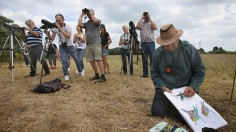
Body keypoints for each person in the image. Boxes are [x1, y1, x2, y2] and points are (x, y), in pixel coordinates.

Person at [151, 24, 206, 124]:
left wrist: (193, 87)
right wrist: (162, 87)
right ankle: (173, 106)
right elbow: (154, 74)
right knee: (157, 112)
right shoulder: (157, 54)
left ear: (177, 38)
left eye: (173, 42)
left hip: (186, 89)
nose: (170, 46)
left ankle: (175, 108)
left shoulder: (189, 49)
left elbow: (199, 71)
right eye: (166, 43)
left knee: (184, 118)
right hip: (166, 89)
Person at [44, 14, 84, 81]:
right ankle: (66, 74)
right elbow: (52, 38)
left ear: (63, 20)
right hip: (62, 46)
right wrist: (47, 34)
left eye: (59, 20)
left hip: (70, 45)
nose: (58, 22)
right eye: (57, 20)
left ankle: (80, 70)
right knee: (64, 60)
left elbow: (68, 36)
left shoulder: (68, 26)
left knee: (76, 59)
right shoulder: (55, 28)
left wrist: (60, 28)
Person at [78, 8, 107, 83]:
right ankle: (97, 75)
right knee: (91, 60)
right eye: (87, 14)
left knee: (98, 59)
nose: (88, 15)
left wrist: (91, 14)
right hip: (89, 44)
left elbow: (96, 22)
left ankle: (103, 76)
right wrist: (82, 14)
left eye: (89, 13)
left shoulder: (97, 20)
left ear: (93, 13)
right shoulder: (87, 23)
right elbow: (79, 24)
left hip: (96, 43)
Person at [136, 12, 157, 78]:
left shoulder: (151, 23)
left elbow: (155, 27)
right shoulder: (141, 24)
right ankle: (145, 74)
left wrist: (150, 18)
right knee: (144, 59)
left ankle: (153, 74)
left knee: (152, 59)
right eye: (145, 15)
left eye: (146, 15)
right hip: (143, 43)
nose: (146, 16)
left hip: (151, 42)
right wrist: (142, 18)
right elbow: (137, 27)